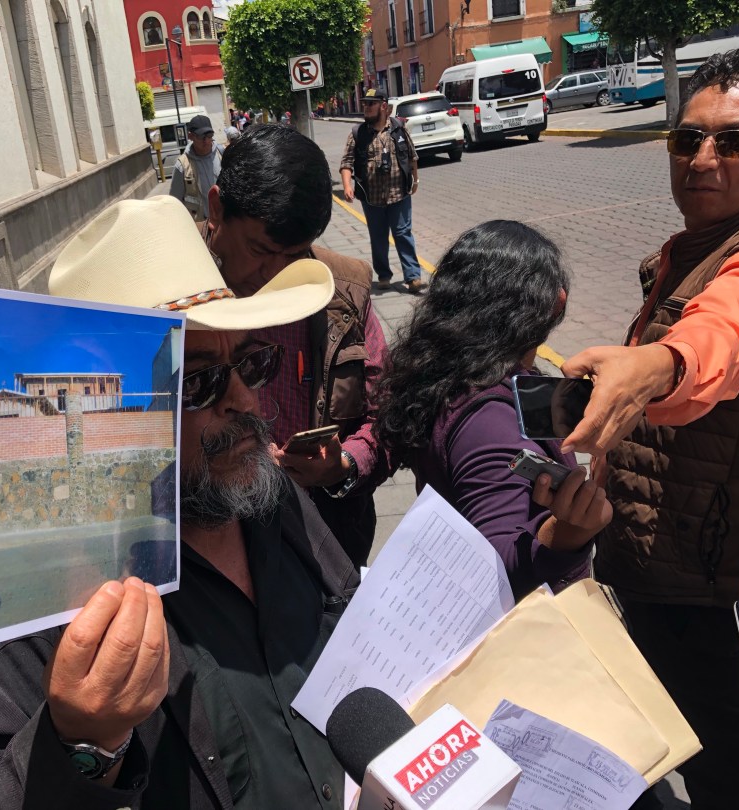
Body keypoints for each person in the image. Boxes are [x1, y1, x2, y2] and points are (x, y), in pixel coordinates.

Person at [0, 196, 359, 808]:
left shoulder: (266, 492)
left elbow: (348, 612)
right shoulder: (11, 592)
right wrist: (83, 744)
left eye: (250, 362)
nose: (243, 399)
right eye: (199, 381)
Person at [560, 46, 739, 810]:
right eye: (687, 138)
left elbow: (726, 333)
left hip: (704, 575)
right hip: (667, 551)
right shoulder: (700, 244)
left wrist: (659, 365)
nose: (702, 158)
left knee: (714, 746)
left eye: (734, 141)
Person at [375, 221, 608, 600]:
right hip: (525, 624)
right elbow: (495, 566)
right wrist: (570, 532)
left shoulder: (451, 370)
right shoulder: (489, 419)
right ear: (556, 303)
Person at [202, 124, 392, 568]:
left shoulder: (344, 290)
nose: (275, 274)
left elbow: (387, 415)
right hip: (213, 546)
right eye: (259, 250)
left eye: (295, 256)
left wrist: (344, 465)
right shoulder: (170, 287)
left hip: (326, 541)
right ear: (216, 208)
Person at [339, 89, 425, 294]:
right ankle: (384, 275)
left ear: (384, 106)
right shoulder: (358, 134)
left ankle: (413, 277)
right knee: (378, 237)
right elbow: (346, 163)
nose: (366, 107)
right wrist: (347, 186)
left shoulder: (399, 129)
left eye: (371, 103)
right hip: (371, 197)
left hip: (399, 193)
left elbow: (412, 156)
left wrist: (415, 180)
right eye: (365, 103)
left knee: (403, 233)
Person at [169, 115, 223, 222]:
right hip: (199, 224)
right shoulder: (182, 165)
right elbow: (174, 202)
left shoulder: (222, 154)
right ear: (190, 136)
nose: (206, 140)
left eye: (209, 135)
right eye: (201, 136)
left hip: (223, 222)